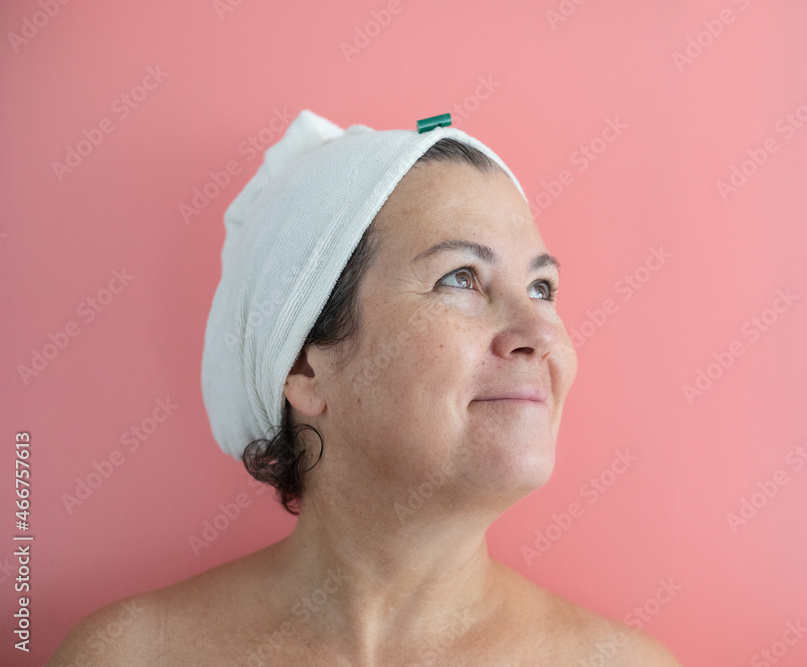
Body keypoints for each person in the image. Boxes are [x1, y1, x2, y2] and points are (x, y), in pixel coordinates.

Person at [50, 111, 681, 665]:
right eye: (461, 277)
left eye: (543, 288)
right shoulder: (131, 655)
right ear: (303, 368)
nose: (542, 333)